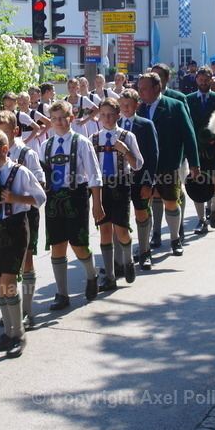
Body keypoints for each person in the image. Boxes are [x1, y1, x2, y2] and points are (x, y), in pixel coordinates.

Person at [0, 129, 45, 357]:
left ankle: (18, 334)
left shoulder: (20, 172)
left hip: (15, 226)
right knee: (0, 281)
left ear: (4, 150)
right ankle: (7, 332)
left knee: (9, 279)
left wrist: (17, 198)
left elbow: (40, 197)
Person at [39, 101, 103, 310]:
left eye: (62, 117)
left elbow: (94, 175)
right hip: (53, 199)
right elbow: (39, 177)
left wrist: (97, 205)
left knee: (79, 244)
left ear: (71, 118)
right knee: (57, 245)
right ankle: (61, 293)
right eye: (54, 118)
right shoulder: (44, 146)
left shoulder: (82, 142)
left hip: (76, 196)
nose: (58, 122)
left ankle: (92, 275)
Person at [0, 111, 45, 326]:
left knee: (27, 260)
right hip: (1, 217)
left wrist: (18, 197)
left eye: (4, 132)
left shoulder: (27, 154)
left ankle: (27, 309)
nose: (0, 136)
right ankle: (10, 312)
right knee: (4, 267)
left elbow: (41, 185)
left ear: (15, 131)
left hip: (25, 213)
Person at [137, 72, 200, 256]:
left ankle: (175, 238)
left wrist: (194, 164)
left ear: (157, 88)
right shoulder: (139, 109)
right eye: (139, 88)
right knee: (146, 202)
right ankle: (149, 240)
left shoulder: (175, 106)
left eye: (144, 88)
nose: (140, 92)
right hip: (145, 167)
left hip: (169, 164)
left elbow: (189, 135)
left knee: (171, 201)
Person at [90, 98, 143, 289]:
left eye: (111, 114)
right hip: (102, 188)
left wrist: (126, 152)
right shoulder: (94, 139)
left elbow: (138, 164)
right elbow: (89, 167)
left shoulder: (127, 136)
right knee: (104, 230)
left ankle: (128, 261)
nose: (107, 118)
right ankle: (110, 275)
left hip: (121, 185)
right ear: (98, 117)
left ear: (118, 115)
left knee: (121, 229)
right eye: (103, 114)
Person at [185, 68, 215, 233]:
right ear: (196, 80)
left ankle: (214, 208)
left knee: (213, 183)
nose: (203, 83)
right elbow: (185, 124)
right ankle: (201, 220)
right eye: (201, 80)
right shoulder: (189, 99)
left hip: (214, 148)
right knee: (196, 184)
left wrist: (214, 133)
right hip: (195, 150)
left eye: (206, 80)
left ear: (211, 80)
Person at [117, 89, 159, 271]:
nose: (126, 108)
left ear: (137, 105)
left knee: (142, 213)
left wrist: (148, 183)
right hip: (119, 181)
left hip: (140, 179)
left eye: (129, 105)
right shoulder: (114, 124)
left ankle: (144, 251)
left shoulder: (146, 124)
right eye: (123, 105)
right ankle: (120, 259)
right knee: (119, 218)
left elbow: (153, 155)